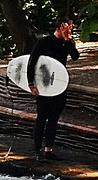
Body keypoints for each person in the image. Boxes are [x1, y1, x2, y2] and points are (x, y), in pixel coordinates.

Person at [27, 20, 80, 160]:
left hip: (59, 86)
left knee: (54, 119)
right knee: (42, 118)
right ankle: (37, 151)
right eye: (67, 28)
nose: (69, 31)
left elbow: (75, 56)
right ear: (59, 28)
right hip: (43, 87)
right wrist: (31, 84)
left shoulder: (67, 43)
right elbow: (31, 62)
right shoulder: (43, 42)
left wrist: (68, 39)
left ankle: (48, 150)